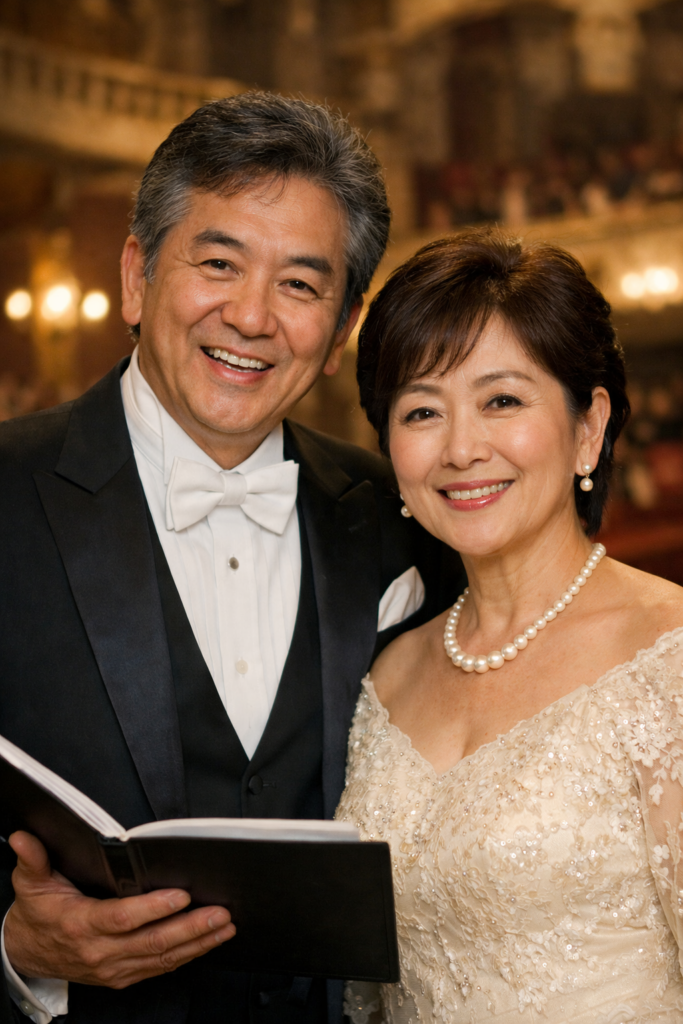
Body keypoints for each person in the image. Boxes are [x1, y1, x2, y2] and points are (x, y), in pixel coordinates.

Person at [0, 93, 465, 1024]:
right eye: (218, 263)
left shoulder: (404, 516)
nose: (251, 316)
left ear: (340, 329)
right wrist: (15, 950)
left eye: (300, 284)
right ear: (136, 277)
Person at [336, 229, 683, 1023]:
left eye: (501, 400)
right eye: (422, 411)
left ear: (588, 426)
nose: (461, 449)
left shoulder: (665, 660)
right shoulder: (389, 675)